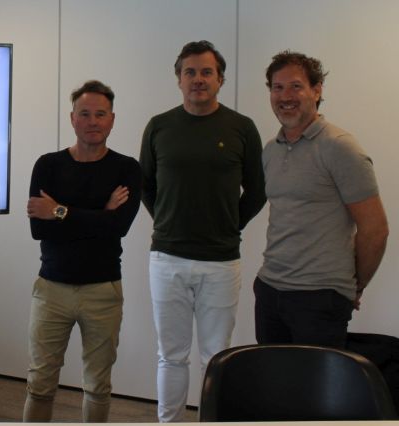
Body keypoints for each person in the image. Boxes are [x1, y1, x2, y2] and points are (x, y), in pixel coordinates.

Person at [139, 40, 265, 422]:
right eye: (190, 72)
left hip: (221, 262)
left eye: (206, 72)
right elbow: (146, 186)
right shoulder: (159, 126)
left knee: (216, 356)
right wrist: (167, 219)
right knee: (171, 356)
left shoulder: (242, 127)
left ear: (220, 79)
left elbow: (258, 190)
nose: (198, 79)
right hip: (167, 259)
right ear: (178, 79)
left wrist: (229, 224)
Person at [23, 80, 141, 423]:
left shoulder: (127, 169)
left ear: (112, 119)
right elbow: (39, 229)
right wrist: (101, 214)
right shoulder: (47, 165)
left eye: (100, 114)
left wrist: (60, 211)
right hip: (51, 290)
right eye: (85, 114)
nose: (92, 121)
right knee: (40, 384)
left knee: (98, 386)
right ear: (72, 119)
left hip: (103, 291)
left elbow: (118, 227)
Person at [256, 51, 388, 348]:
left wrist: (355, 284)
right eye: (277, 87)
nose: (285, 96)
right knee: (272, 377)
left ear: (316, 90)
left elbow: (375, 229)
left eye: (296, 86)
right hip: (269, 290)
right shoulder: (271, 150)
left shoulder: (340, 148)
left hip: (319, 297)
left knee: (314, 380)